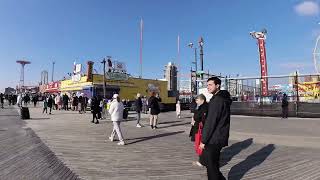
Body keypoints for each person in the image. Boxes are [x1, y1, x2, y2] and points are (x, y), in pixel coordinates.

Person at [199, 77, 232, 180]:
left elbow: (211, 122)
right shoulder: (222, 99)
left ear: (217, 85)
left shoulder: (217, 100)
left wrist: (203, 140)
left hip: (213, 138)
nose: (207, 87)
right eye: (207, 85)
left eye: (210, 85)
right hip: (219, 136)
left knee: (211, 168)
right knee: (213, 165)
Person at [189, 94, 208, 167]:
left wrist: (195, 119)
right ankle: (202, 160)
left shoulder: (204, 108)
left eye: (197, 100)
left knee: (201, 144)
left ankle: (202, 161)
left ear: (202, 100)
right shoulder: (203, 106)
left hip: (200, 129)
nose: (196, 102)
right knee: (200, 145)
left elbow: (200, 117)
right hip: (199, 128)